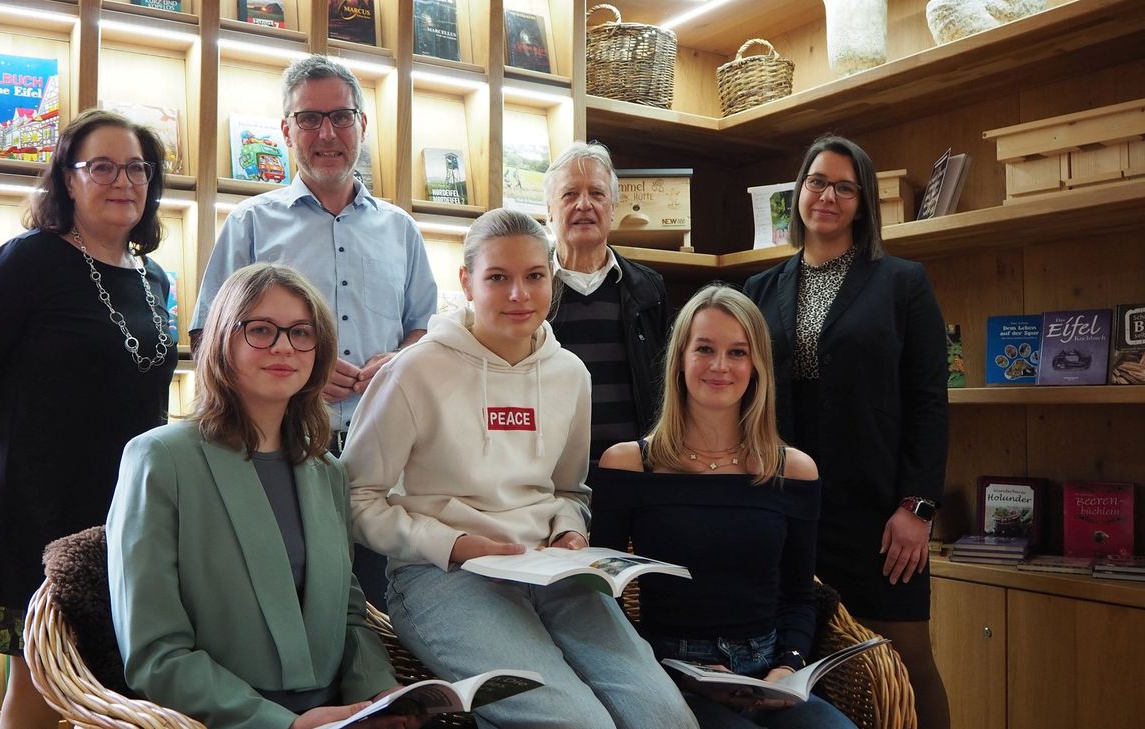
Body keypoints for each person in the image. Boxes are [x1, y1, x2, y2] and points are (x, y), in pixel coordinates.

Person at [342, 208, 698, 729]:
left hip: (550, 573)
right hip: (442, 574)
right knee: (580, 724)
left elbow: (570, 491)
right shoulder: (413, 372)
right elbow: (356, 498)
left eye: (534, 276)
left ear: (552, 279)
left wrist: (569, 533)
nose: (519, 295)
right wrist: (454, 544)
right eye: (498, 278)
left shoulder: (570, 375)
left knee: (667, 718)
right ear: (466, 282)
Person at [0, 108, 178, 729]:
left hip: (125, 507)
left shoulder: (155, 278)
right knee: (42, 678)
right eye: (101, 166)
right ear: (68, 179)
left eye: (136, 168)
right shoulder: (26, 262)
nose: (122, 180)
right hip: (36, 508)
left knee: (115, 681)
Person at [108, 263, 417, 729]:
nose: (283, 347)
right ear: (221, 342)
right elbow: (155, 654)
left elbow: (350, 617)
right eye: (260, 330)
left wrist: (380, 694)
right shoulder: (159, 459)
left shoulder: (328, 473)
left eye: (301, 333)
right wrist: (284, 725)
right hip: (227, 719)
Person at [191, 54, 437, 607]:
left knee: (381, 607)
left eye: (341, 117)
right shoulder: (251, 223)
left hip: (387, 457)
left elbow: (425, 330)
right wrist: (298, 371)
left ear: (362, 126)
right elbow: (209, 337)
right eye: (309, 119)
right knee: (289, 601)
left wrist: (397, 362)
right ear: (285, 130)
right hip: (281, 448)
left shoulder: (400, 229)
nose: (327, 133)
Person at [743, 135, 951, 729]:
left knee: (907, 659)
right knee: (804, 659)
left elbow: (930, 402)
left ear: (863, 203)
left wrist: (918, 505)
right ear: (798, 194)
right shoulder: (760, 291)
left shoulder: (902, 283)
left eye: (843, 186)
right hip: (788, 507)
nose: (826, 196)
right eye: (815, 182)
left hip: (881, 514)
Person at [592, 285, 856, 729]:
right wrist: (666, 668)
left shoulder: (794, 471)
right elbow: (601, 599)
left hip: (769, 675)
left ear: (756, 368)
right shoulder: (628, 463)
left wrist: (787, 669)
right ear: (680, 359)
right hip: (671, 676)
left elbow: (799, 595)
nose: (720, 366)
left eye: (737, 352)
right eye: (705, 349)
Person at [544, 142, 668, 462]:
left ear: (613, 207)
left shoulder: (649, 290)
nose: (584, 204)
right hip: (544, 477)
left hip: (631, 475)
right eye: (570, 194)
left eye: (597, 194)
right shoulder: (528, 289)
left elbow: (665, 390)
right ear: (548, 210)